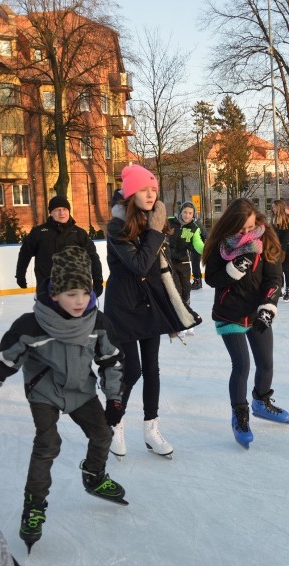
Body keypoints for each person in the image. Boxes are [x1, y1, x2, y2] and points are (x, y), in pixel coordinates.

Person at [0, 246, 128, 552]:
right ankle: (34, 506)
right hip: (44, 392)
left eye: (84, 293)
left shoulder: (98, 323)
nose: (79, 301)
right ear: (55, 292)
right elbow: (1, 364)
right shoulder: (31, 325)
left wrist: (114, 399)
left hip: (80, 390)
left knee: (102, 434)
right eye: (71, 293)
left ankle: (94, 475)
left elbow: (111, 361)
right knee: (48, 444)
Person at [104, 165, 201, 460]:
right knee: (131, 369)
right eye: (144, 189)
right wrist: (156, 232)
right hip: (123, 306)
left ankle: (151, 429)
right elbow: (139, 265)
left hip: (149, 304)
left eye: (154, 189)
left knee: (152, 369)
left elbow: (162, 267)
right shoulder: (116, 227)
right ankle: (115, 425)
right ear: (131, 192)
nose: (150, 194)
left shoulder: (155, 223)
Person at [203, 198, 288, 449]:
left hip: (256, 310)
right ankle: (240, 416)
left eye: (250, 227)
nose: (246, 233)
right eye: (241, 230)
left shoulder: (267, 238)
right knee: (242, 365)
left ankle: (261, 402)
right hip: (230, 313)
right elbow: (212, 279)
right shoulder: (221, 245)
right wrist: (233, 269)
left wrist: (268, 308)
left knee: (266, 363)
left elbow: (274, 278)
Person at [15, 195, 104, 296]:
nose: (62, 213)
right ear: (51, 213)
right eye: (57, 210)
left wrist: (97, 280)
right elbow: (24, 254)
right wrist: (20, 275)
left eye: (65, 209)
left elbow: (93, 257)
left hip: (74, 290)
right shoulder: (39, 232)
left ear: (69, 211)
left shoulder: (79, 234)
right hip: (47, 290)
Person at [168, 201, 205, 333]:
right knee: (176, 290)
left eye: (190, 213)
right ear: (180, 212)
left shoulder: (194, 228)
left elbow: (198, 244)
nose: (187, 215)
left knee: (186, 290)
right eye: (185, 212)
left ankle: (187, 315)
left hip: (183, 262)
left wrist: (208, 250)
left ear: (193, 214)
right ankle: (180, 319)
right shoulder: (170, 221)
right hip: (169, 262)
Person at [271, 199, 289, 302]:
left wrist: (283, 250)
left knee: (286, 268)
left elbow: (287, 236)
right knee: (278, 269)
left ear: (279, 207)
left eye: (274, 207)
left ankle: (288, 290)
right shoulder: (274, 219)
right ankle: (280, 289)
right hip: (279, 248)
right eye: (272, 207)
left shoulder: (288, 218)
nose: (272, 209)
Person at [189, 213, 209, 290]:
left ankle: (197, 281)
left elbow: (206, 235)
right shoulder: (190, 224)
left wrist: (206, 245)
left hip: (198, 247)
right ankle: (197, 280)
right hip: (192, 247)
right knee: (194, 264)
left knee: (195, 264)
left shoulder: (197, 224)